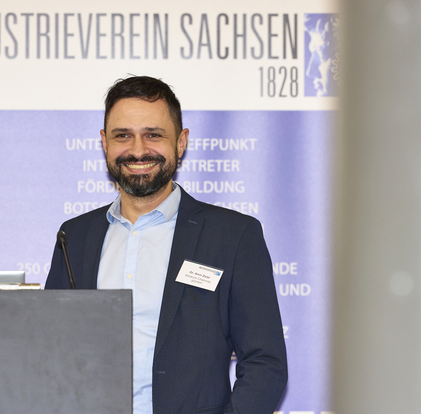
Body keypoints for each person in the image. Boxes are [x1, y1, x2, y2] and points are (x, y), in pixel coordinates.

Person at [45, 76, 287, 414]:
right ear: (104, 142)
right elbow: (49, 352)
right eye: (122, 135)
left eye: (153, 135)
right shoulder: (74, 236)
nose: (138, 150)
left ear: (181, 142)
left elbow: (265, 363)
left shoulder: (233, 236)